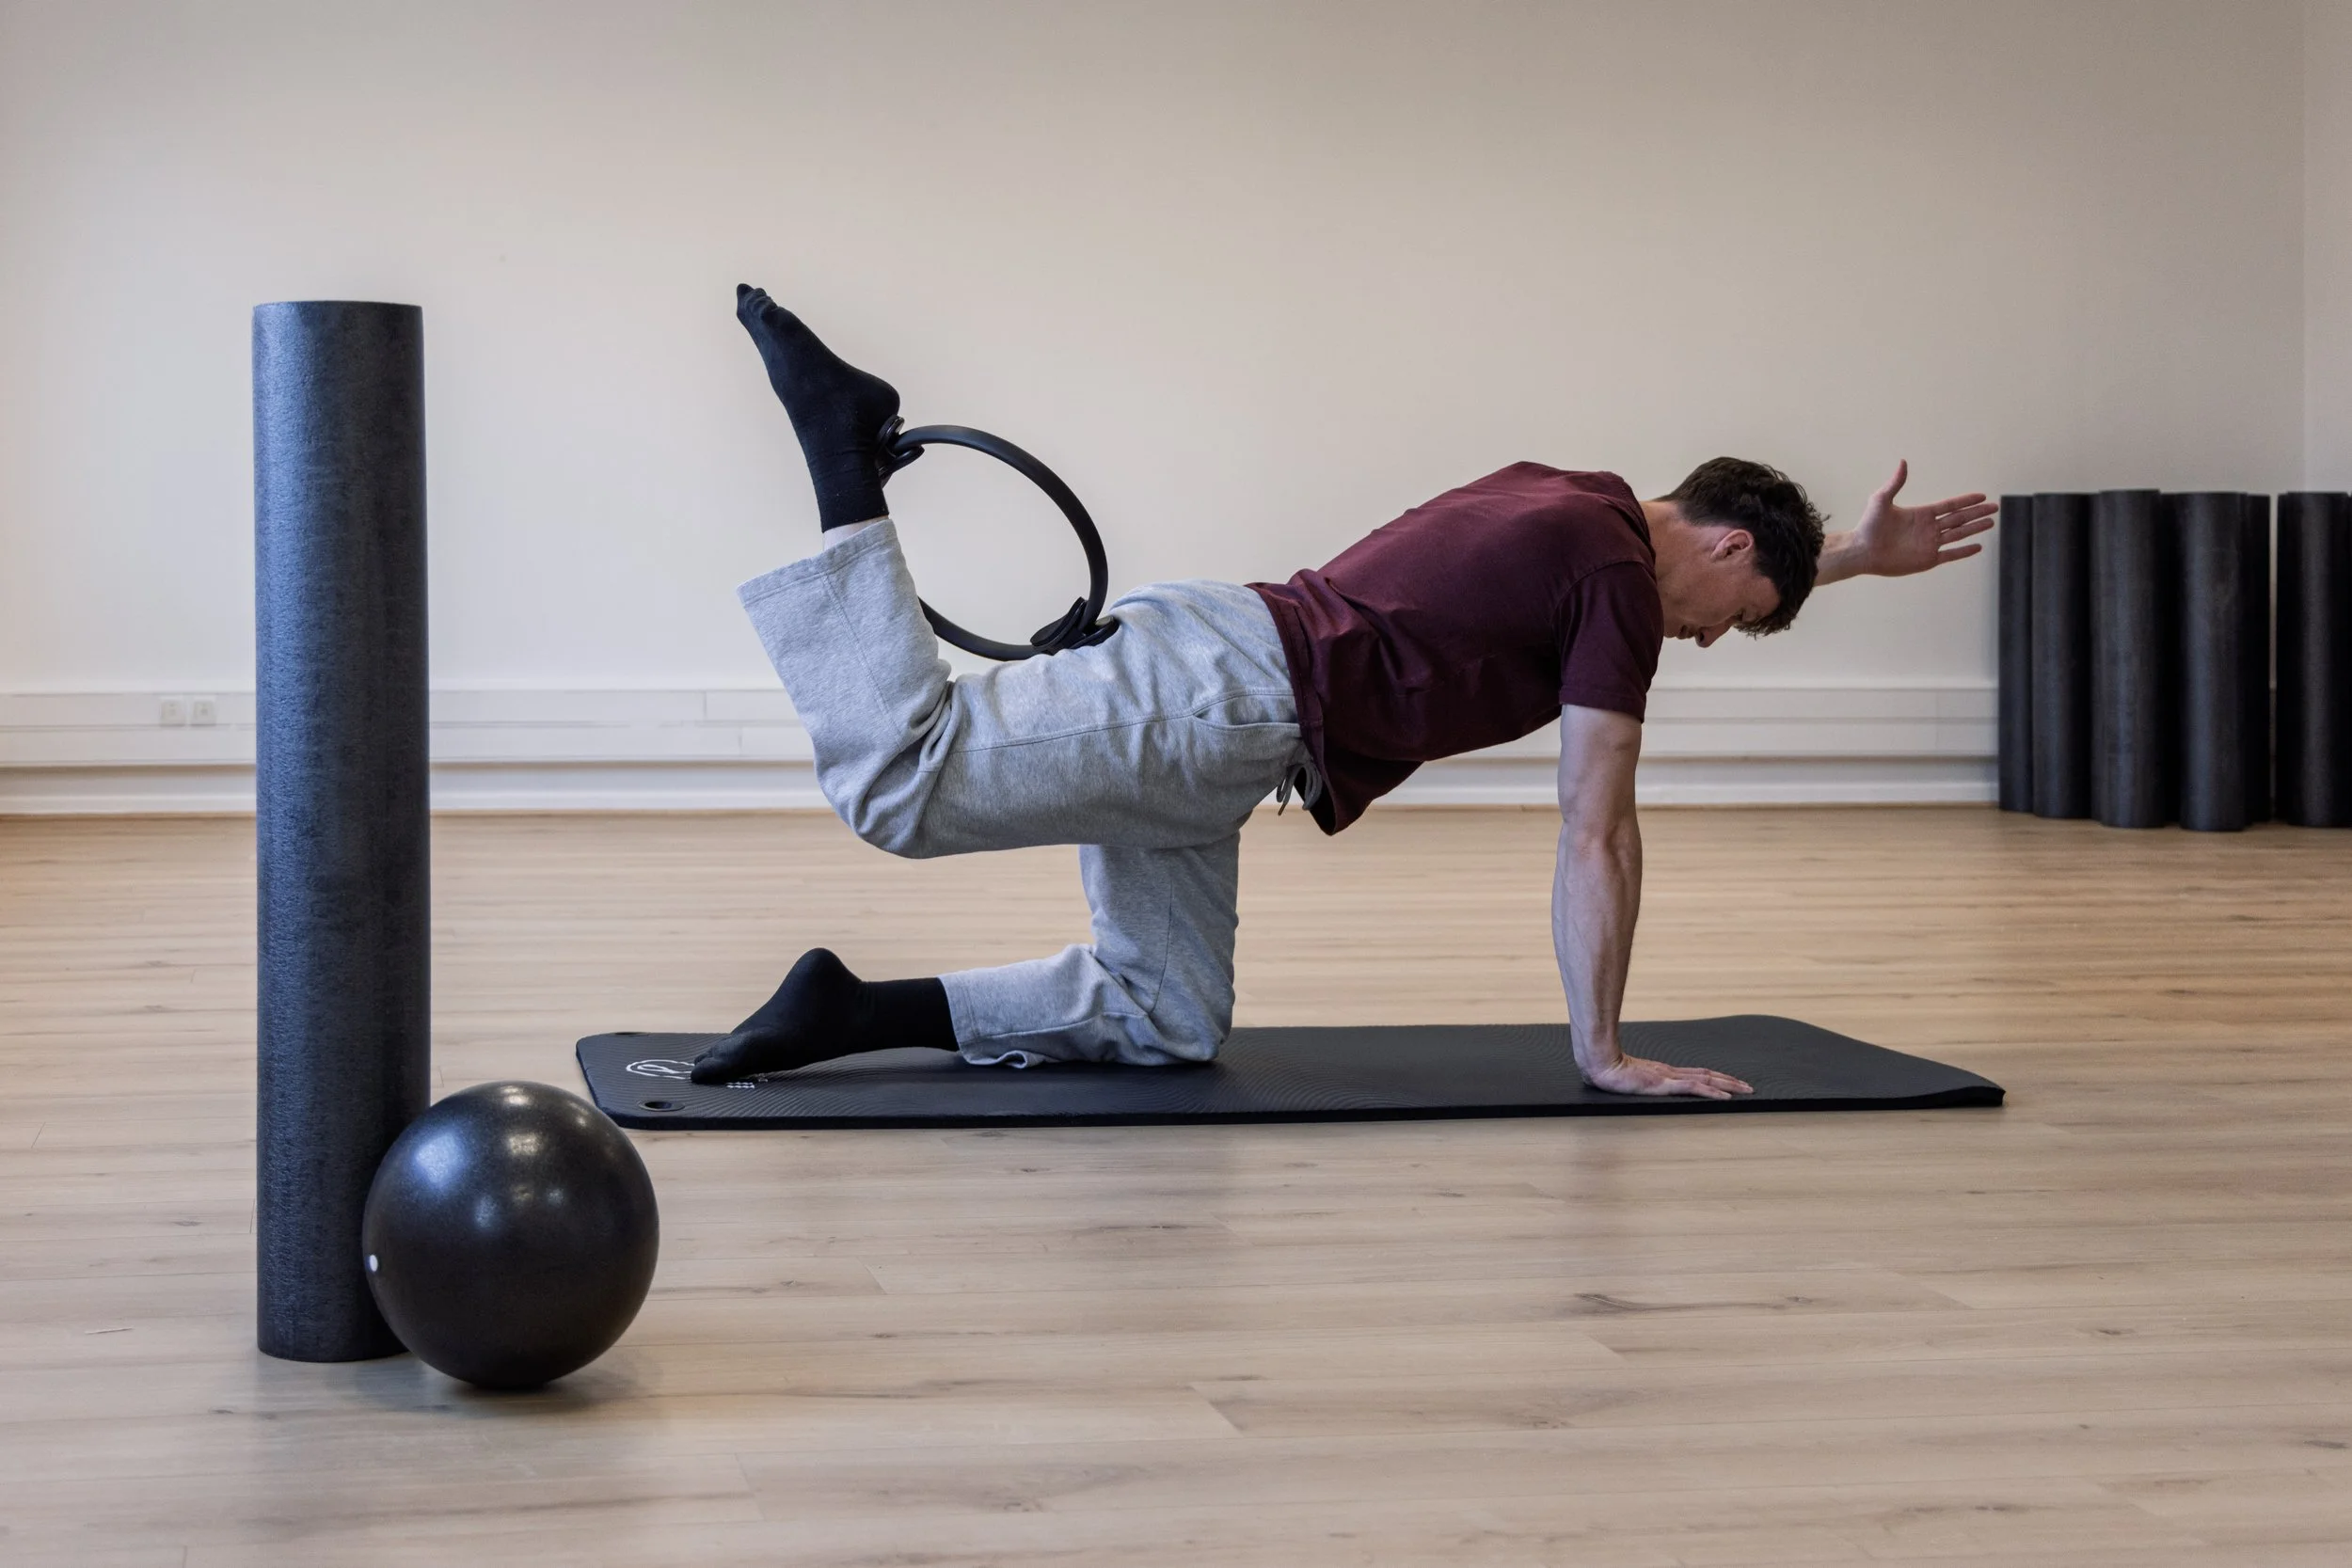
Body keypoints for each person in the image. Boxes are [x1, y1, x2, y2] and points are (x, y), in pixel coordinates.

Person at [691, 286, 1994, 1098]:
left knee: (1167, 1016)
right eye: (1736, 621)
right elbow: (1597, 825)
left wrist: (1852, 555)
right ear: (1723, 546)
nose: (1703, 644)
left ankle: (848, 1008)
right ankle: (837, 454)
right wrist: (1602, 1045)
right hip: (1222, 701)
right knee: (902, 783)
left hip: (1229, 707)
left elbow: (1693, 577)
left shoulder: (1581, 502)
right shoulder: (1612, 582)